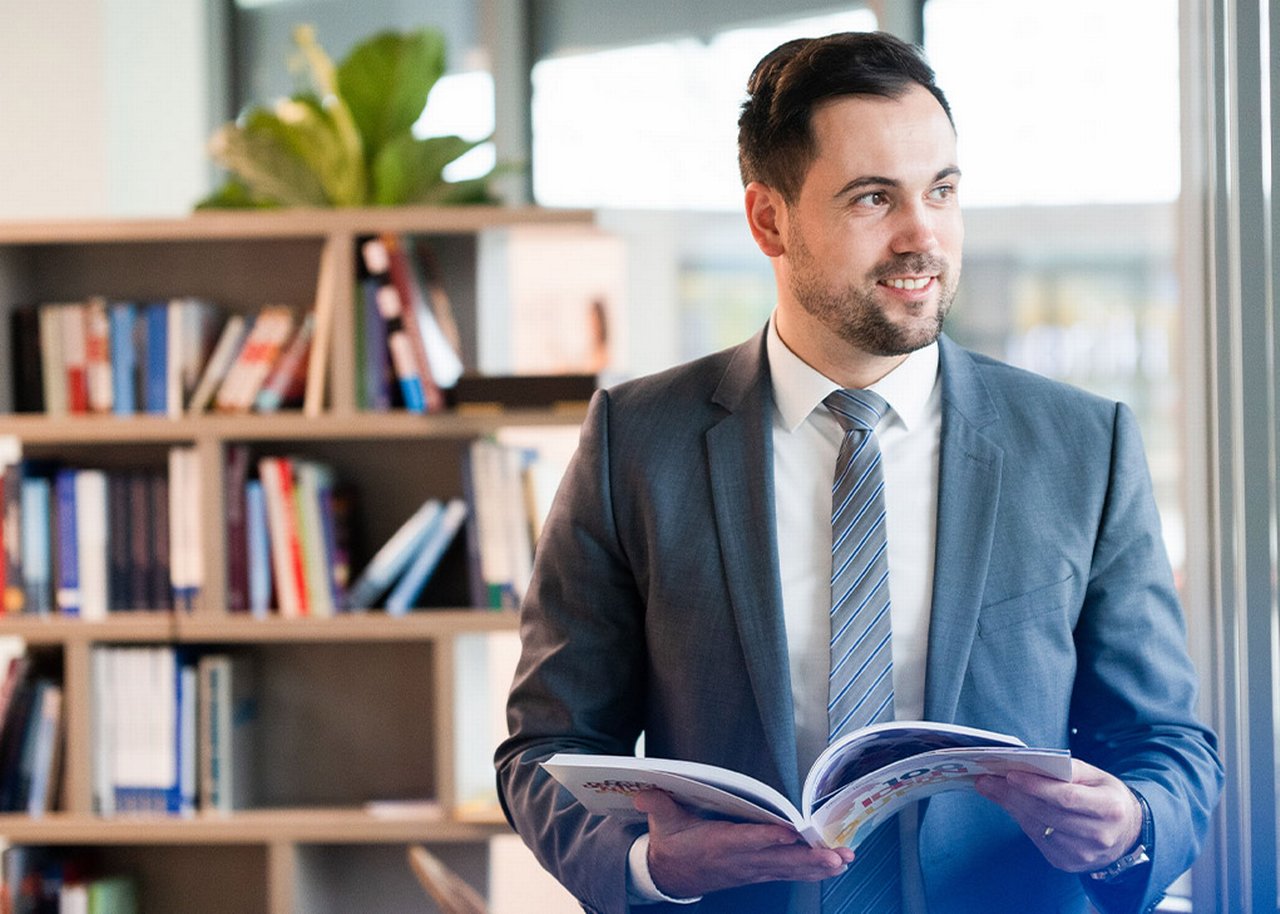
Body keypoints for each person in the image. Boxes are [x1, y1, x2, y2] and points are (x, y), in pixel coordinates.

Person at [495, 29, 1222, 914]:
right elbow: (546, 748)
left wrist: (1132, 825)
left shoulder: (1083, 445)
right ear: (769, 219)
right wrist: (651, 866)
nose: (924, 235)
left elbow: (1167, 744)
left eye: (941, 190)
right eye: (874, 198)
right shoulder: (636, 441)